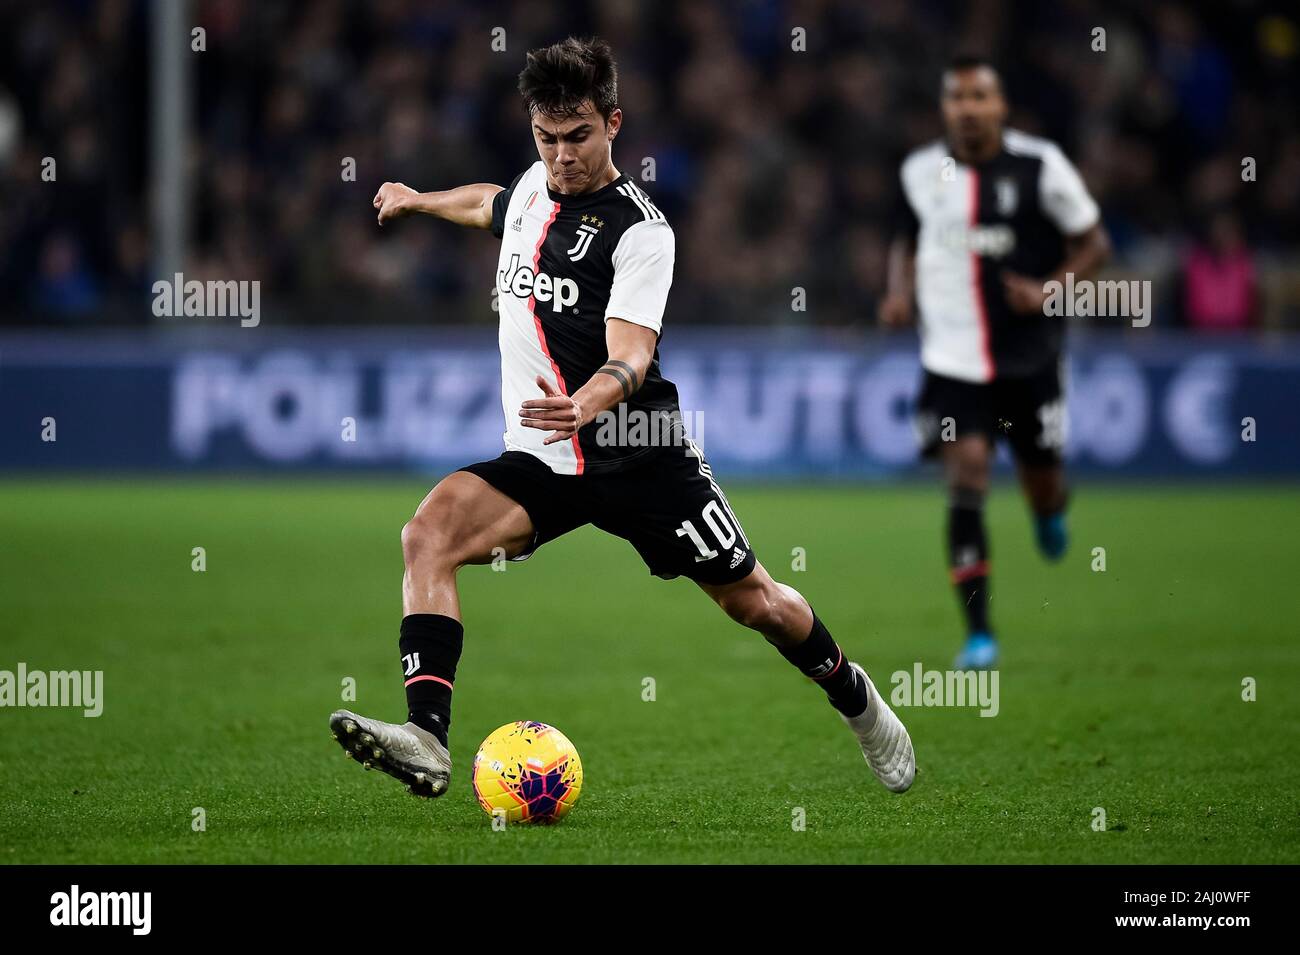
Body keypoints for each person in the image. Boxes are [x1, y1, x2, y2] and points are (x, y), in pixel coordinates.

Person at [330, 36, 914, 799]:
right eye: (546, 137)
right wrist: (419, 199)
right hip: (546, 455)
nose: (562, 155)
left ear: (614, 124)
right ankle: (428, 738)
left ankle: (857, 700)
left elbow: (632, 354)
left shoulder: (641, 231)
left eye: (579, 137)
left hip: (639, 452)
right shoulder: (534, 190)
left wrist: (588, 401)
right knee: (427, 533)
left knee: (755, 602)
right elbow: (489, 206)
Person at [880, 55, 1111, 670]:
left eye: (980, 96)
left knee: (1042, 483)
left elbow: (1094, 243)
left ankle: (1050, 511)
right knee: (968, 476)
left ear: (1000, 106)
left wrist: (1048, 290)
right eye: (957, 98)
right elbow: (903, 239)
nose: (969, 108)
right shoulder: (922, 172)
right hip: (952, 360)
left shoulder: (1042, 166)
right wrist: (898, 292)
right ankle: (979, 632)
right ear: (945, 108)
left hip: (1028, 358)